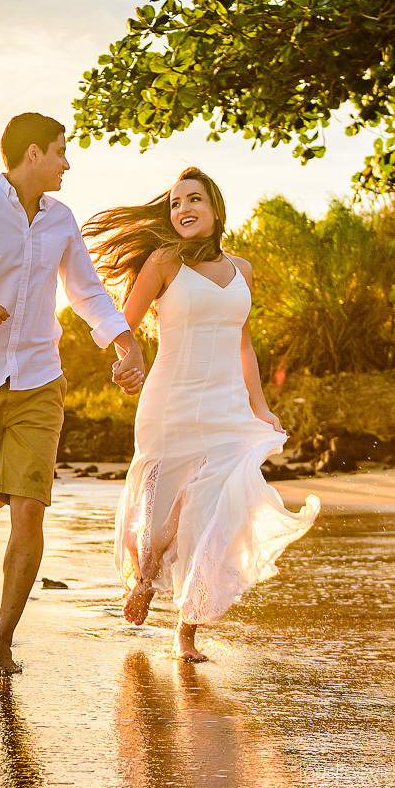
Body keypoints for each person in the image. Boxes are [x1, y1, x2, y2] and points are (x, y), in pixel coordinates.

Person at [0, 113, 145, 675]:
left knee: (30, 511)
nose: (68, 162)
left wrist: (125, 344)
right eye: (62, 151)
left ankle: (2, 642)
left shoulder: (62, 220)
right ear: (32, 153)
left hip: (40, 379)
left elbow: (87, 292)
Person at [84, 167, 319, 662]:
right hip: (170, 403)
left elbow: (244, 345)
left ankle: (186, 631)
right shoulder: (164, 261)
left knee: (212, 516)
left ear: (215, 209)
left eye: (193, 199)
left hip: (227, 408)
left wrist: (260, 406)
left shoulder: (243, 269)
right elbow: (119, 325)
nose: (182, 209)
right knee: (164, 520)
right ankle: (145, 575)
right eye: (174, 203)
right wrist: (127, 359)